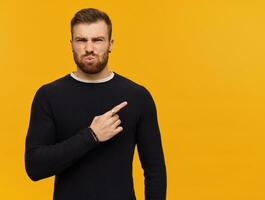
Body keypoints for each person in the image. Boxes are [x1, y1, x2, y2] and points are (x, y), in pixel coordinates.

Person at [24, 8, 167, 200]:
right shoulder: (49, 96)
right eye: (81, 40)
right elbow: (34, 167)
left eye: (97, 40)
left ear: (110, 44)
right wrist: (91, 136)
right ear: (71, 44)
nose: (89, 48)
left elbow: (155, 169)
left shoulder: (137, 96)